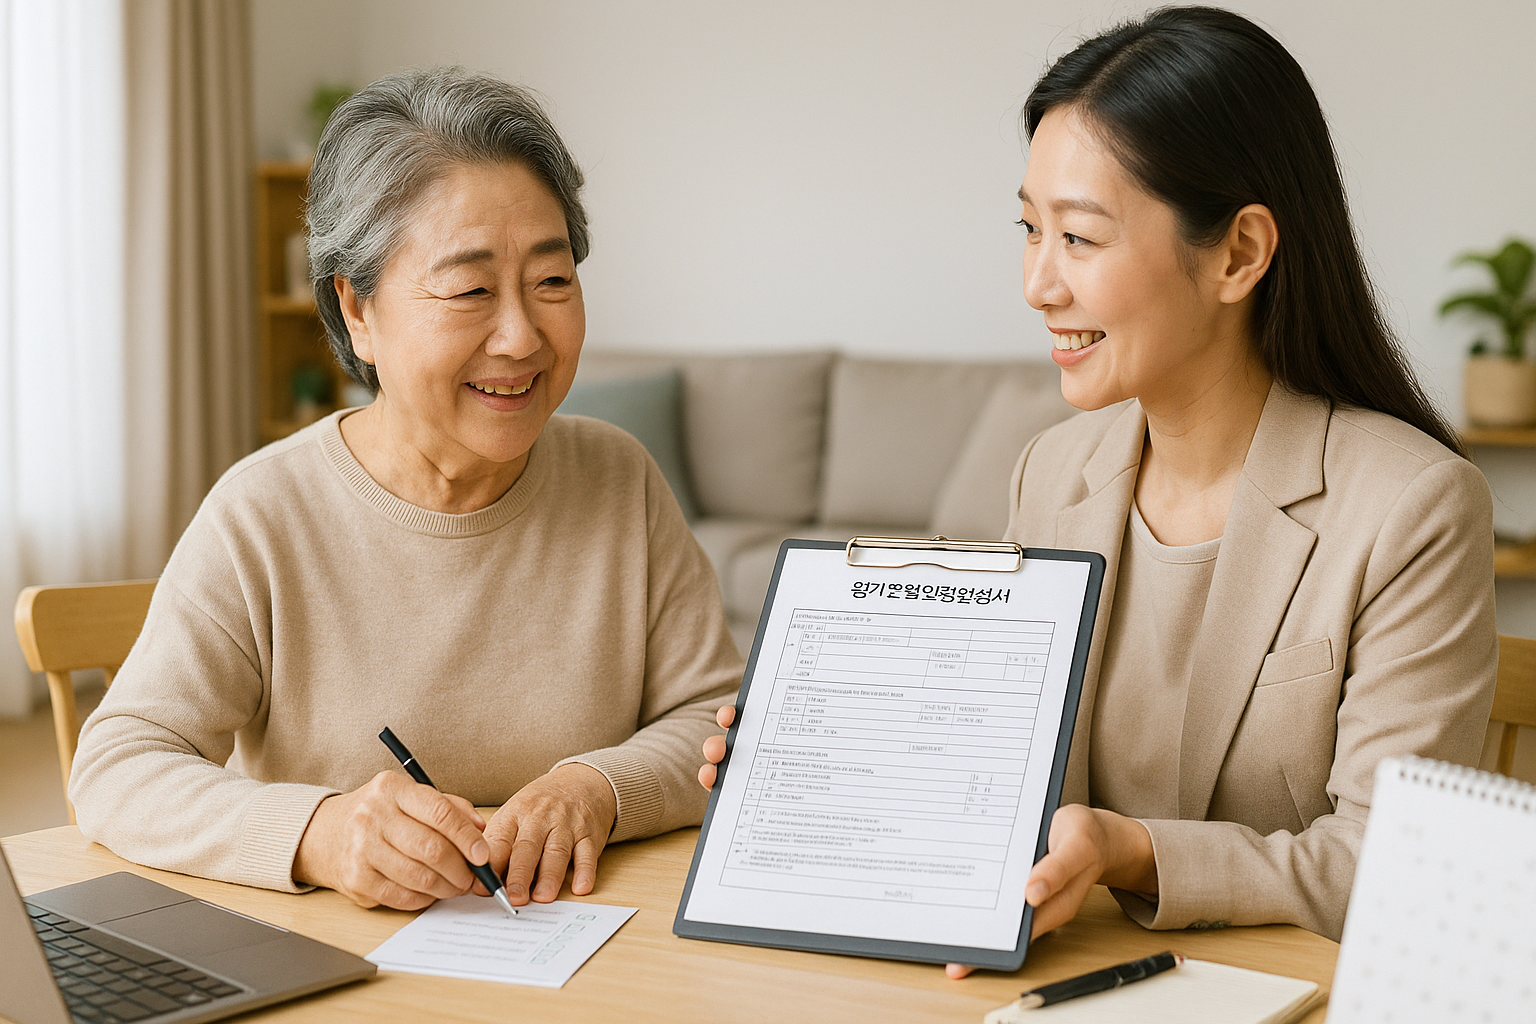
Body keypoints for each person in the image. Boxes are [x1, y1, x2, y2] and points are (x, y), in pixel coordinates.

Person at [701, 5, 1497, 970]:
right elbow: (990, 772)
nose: (1038, 283)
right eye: (1029, 230)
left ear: (1240, 253)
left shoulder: (1412, 505)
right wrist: (825, 762)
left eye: (1079, 238)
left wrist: (1139, 853)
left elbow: (1389, 866)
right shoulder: (1054, 471)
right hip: (1059, 977)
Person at [71, 68, 741, 913]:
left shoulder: (620, 481)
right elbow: (118, 765)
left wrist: (594, 789)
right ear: (358, 310)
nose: (521, 335)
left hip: (581, 957)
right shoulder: (265, 513)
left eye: (553, 280)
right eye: (468, 290)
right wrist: (320, 832)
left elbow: (716, 726)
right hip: (343, 967)